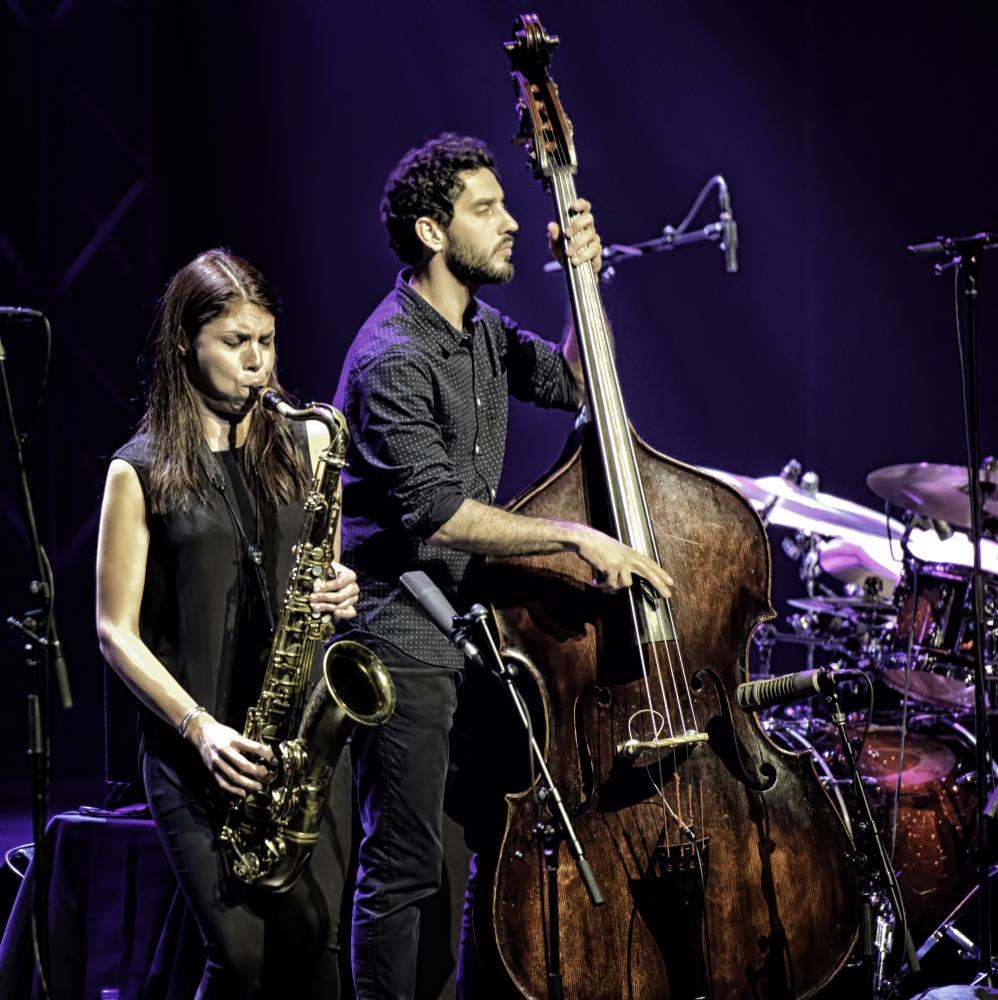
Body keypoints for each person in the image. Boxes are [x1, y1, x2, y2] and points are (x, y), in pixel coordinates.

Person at [333, 133, 674, 999]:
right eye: (487, 209)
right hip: (399, 628)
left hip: (471, 634)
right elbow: (439, 514)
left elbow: (575, 383)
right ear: (431, 232)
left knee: (477, 853)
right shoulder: (391, 358)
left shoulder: (479, 331)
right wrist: (581, 539)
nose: (514, 222)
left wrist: (584, 283)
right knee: (406, 867)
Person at [96, 249, 359, 999]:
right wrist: (198, 728)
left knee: (316, 953)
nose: (258, 363)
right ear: (186, 342)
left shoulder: (306, 442)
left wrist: (341, 591)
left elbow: (323, 579)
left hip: (298, 750)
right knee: (240, 961)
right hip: (196, 753)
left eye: (267, 342)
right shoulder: (138, 470)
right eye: (235, 343)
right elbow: (115, 631)